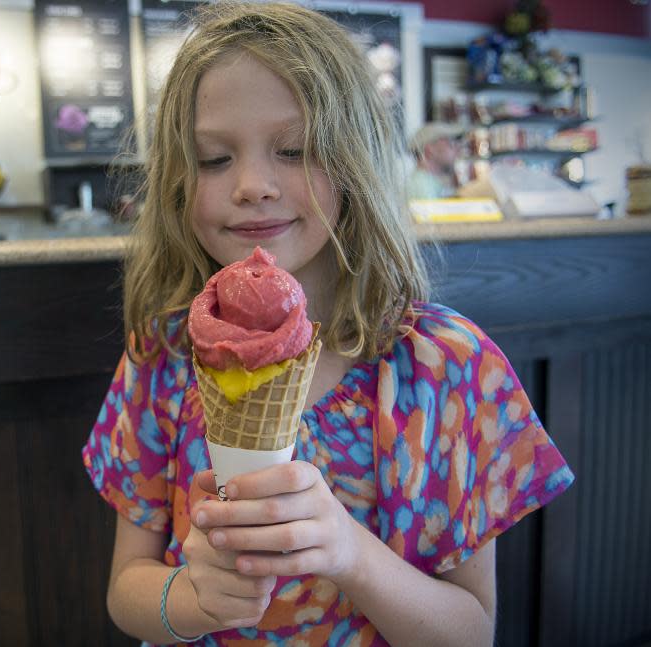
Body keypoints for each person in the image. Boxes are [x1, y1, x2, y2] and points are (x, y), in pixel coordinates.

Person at [82, 3, 573, 645]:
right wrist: (195, 597)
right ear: (177, 178)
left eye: (294, 149)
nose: (253, 185)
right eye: (212, 159)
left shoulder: (450, 366)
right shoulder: (162, 354)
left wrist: (348, 551)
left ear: (357, 160)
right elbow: (127, 589)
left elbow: (471, 631)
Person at [407, 122, 466, 200]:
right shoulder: (421, 186)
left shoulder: (428, 182)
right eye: (451, 143)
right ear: (430, 149)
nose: (458, 150)